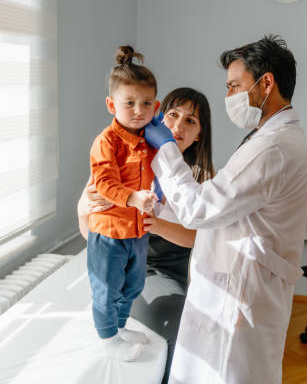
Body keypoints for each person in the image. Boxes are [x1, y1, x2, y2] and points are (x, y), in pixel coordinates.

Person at [144, 35, 307, 383]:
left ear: (266, 83)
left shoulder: (272, 148)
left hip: (240, 295)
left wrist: (165, 151)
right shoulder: (268, 140)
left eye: (235, 86)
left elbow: (199, 210)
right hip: (236, 288)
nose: (229, 97)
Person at [78, 87, 215, 380]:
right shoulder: (125, 160)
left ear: (199, 134)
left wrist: (157, 222)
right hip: (146, 268)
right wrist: (91, 205)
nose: (178, 126)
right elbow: (86, 224)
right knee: (178, 330)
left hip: (187, 268)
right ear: (157, 117)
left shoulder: (203, 178)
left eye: (190, 121)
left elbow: (199, 239)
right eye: (172, 115)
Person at [86, 45, 161, 362]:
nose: (137, 110)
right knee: (107, 288)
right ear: (111, 104)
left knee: (134, 285)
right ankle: (108, 339)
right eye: (128, 103)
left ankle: (118, 326)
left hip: (138, 231)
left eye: (145, 103)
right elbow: (103, 182)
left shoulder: (152, 138)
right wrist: (133, 197)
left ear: (156, 106)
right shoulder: (107, 141)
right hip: (109, 232)